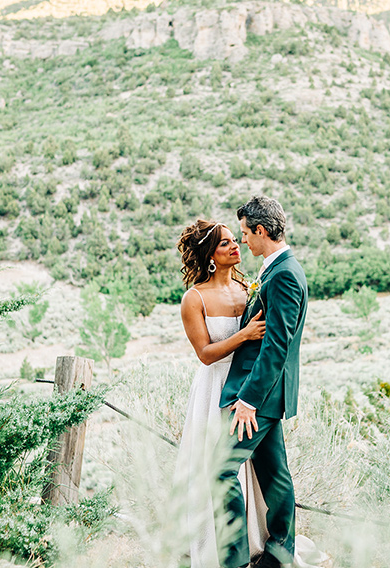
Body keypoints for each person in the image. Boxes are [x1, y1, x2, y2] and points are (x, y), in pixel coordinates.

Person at [219, 196, 308, 568]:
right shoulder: (276, 269)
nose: (244, 242)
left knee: (221, 471)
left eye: (246, 234)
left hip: (261, 396)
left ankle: (235, 560)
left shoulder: (284, 273)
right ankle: (278, 556)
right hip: (266, 395)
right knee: (275, 475)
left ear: (261, 230)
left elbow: (277, 345)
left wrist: (249, 399)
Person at [176, 219, 268, 568]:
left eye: (236, 240)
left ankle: (252, 541)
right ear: (211, 255)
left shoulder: (248, 291)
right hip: (213, 387)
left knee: (245, 465)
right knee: (212, 464)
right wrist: (243, 336)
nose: (236, 246)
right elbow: (205, 353)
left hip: (246, 388)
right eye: (226, 243)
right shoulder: (194, 298)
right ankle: (216, 547)